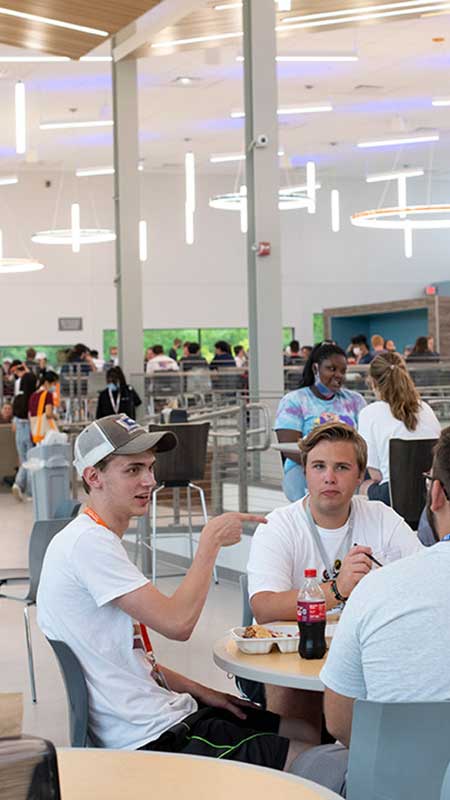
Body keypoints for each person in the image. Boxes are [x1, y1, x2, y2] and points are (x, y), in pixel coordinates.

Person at [37, 414, 316, 767]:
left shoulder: (91, 538)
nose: (150, 481)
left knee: (304, 731)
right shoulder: (88, 544)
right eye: (133, 470)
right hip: (151, 737)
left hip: (161, 712)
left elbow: (127, 658)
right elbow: (178, 623)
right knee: (310, 753)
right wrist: (210, 543)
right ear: (93, 477)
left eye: (151, 468)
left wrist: (205, 692)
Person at [247, 422, 422, 732]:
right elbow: (265, 607)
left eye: (342, 467)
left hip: (368, 649)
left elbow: (424, 576)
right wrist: (337, 589)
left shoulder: (381, 517)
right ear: (304, 472)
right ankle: (302, 767)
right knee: (299, 696)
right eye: (319, 466)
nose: (329, 477)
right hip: (296, 655)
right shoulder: (278, 526)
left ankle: (372, 769)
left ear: (360, 475)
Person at [310, 426, 450, 793]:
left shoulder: (377, 587)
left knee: (310, 762)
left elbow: (339, 721)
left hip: (395, 786)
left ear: (436, 493)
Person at [275, 342, 366, 501]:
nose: (338, 375)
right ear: (316, 368)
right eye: (331, 369)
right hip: (304, 468)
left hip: (347, 467)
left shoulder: (355, 400)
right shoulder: (294, 401)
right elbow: (288, 446)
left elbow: (366, 438)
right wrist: (323, 465)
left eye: (342, 371)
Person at [358, 352, 441, 504]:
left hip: (393, 497)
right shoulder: (426, 409)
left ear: (373, 383)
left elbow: (376, 475)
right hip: (430, 496)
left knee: (364, 485)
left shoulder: (369, 413)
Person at [10, 363, 37, 500]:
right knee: (31, 459)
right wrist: (28, 370)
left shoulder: (18, 395)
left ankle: (19, 484)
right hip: (29, 426)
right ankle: (25, 488)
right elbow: (32, 378)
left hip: (18, 425)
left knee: (23, 459)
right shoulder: (32, 397)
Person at [28, 370, 59, 445]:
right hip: (46, 433)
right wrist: (56, 416)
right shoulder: (47, 395)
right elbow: (48, 413)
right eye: (54, 383)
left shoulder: (33, 395)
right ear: (46, 383)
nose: (55, 386)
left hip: (35, 431)